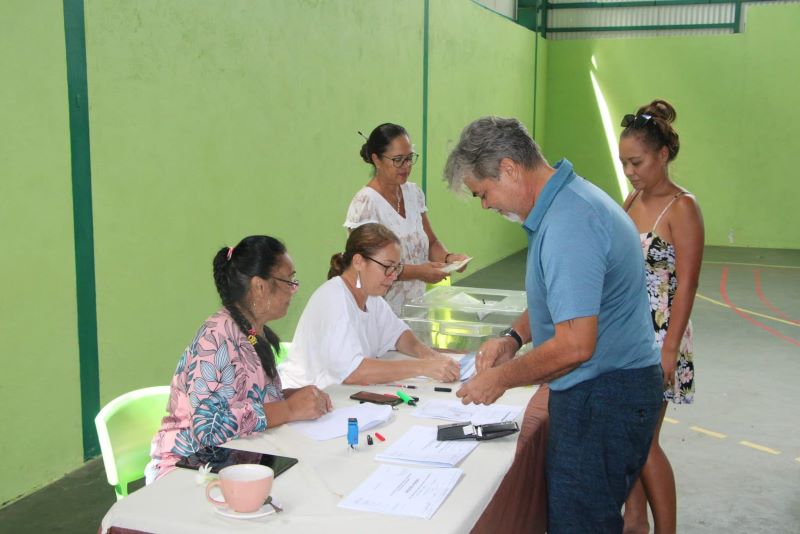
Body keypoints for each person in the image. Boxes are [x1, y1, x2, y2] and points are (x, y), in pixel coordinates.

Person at [444, 117, 663, 533]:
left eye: (483, 193)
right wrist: (513, 338)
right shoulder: (566, 203)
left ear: (509, 168)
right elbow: (566, 301)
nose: (486, 205)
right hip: (606, 391)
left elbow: (575, 345)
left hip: (603, 396)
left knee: (581, 524)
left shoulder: (568, 223)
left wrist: (501, 379)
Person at [145, 236, 332, 483]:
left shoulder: (253, 332)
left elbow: (249, 397)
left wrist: (294, 397)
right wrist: (287, 409)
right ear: (259, 286)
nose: (293, 289)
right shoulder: (216, 337)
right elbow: (208, 428)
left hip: (234, 456)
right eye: (289, 281)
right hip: (189, 467)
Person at [619, 100, 704, 534]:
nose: (630, 172)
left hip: (658, 337)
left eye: (636, 162)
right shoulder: (632, 197)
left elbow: (687, 284)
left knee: (645, 442)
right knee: (625, 436)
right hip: (626, 333)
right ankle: (635, 520)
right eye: (624, 164)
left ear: (663, 155)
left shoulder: (683, 207)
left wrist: (669, 350)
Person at [279, 223, 459, 390]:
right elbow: (353, 372)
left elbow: (399, 335)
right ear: (358, 262)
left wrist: (432, 356)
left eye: (396, 268)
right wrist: (422, 367)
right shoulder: (333, 298)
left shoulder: (371, 297)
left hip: (337, 397)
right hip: (304, 400)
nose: (393, 276)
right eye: (387, 267)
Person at [345, 123, 470, 315]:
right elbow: (368, 266)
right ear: (376, 160)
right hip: (381, 313)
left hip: (417, 309)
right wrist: (419, 272)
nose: (407, 166)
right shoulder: (365, 204)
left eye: (410, 158)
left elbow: (431, 242)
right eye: (398, 160)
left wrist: (448, 259)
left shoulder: (413, 193)